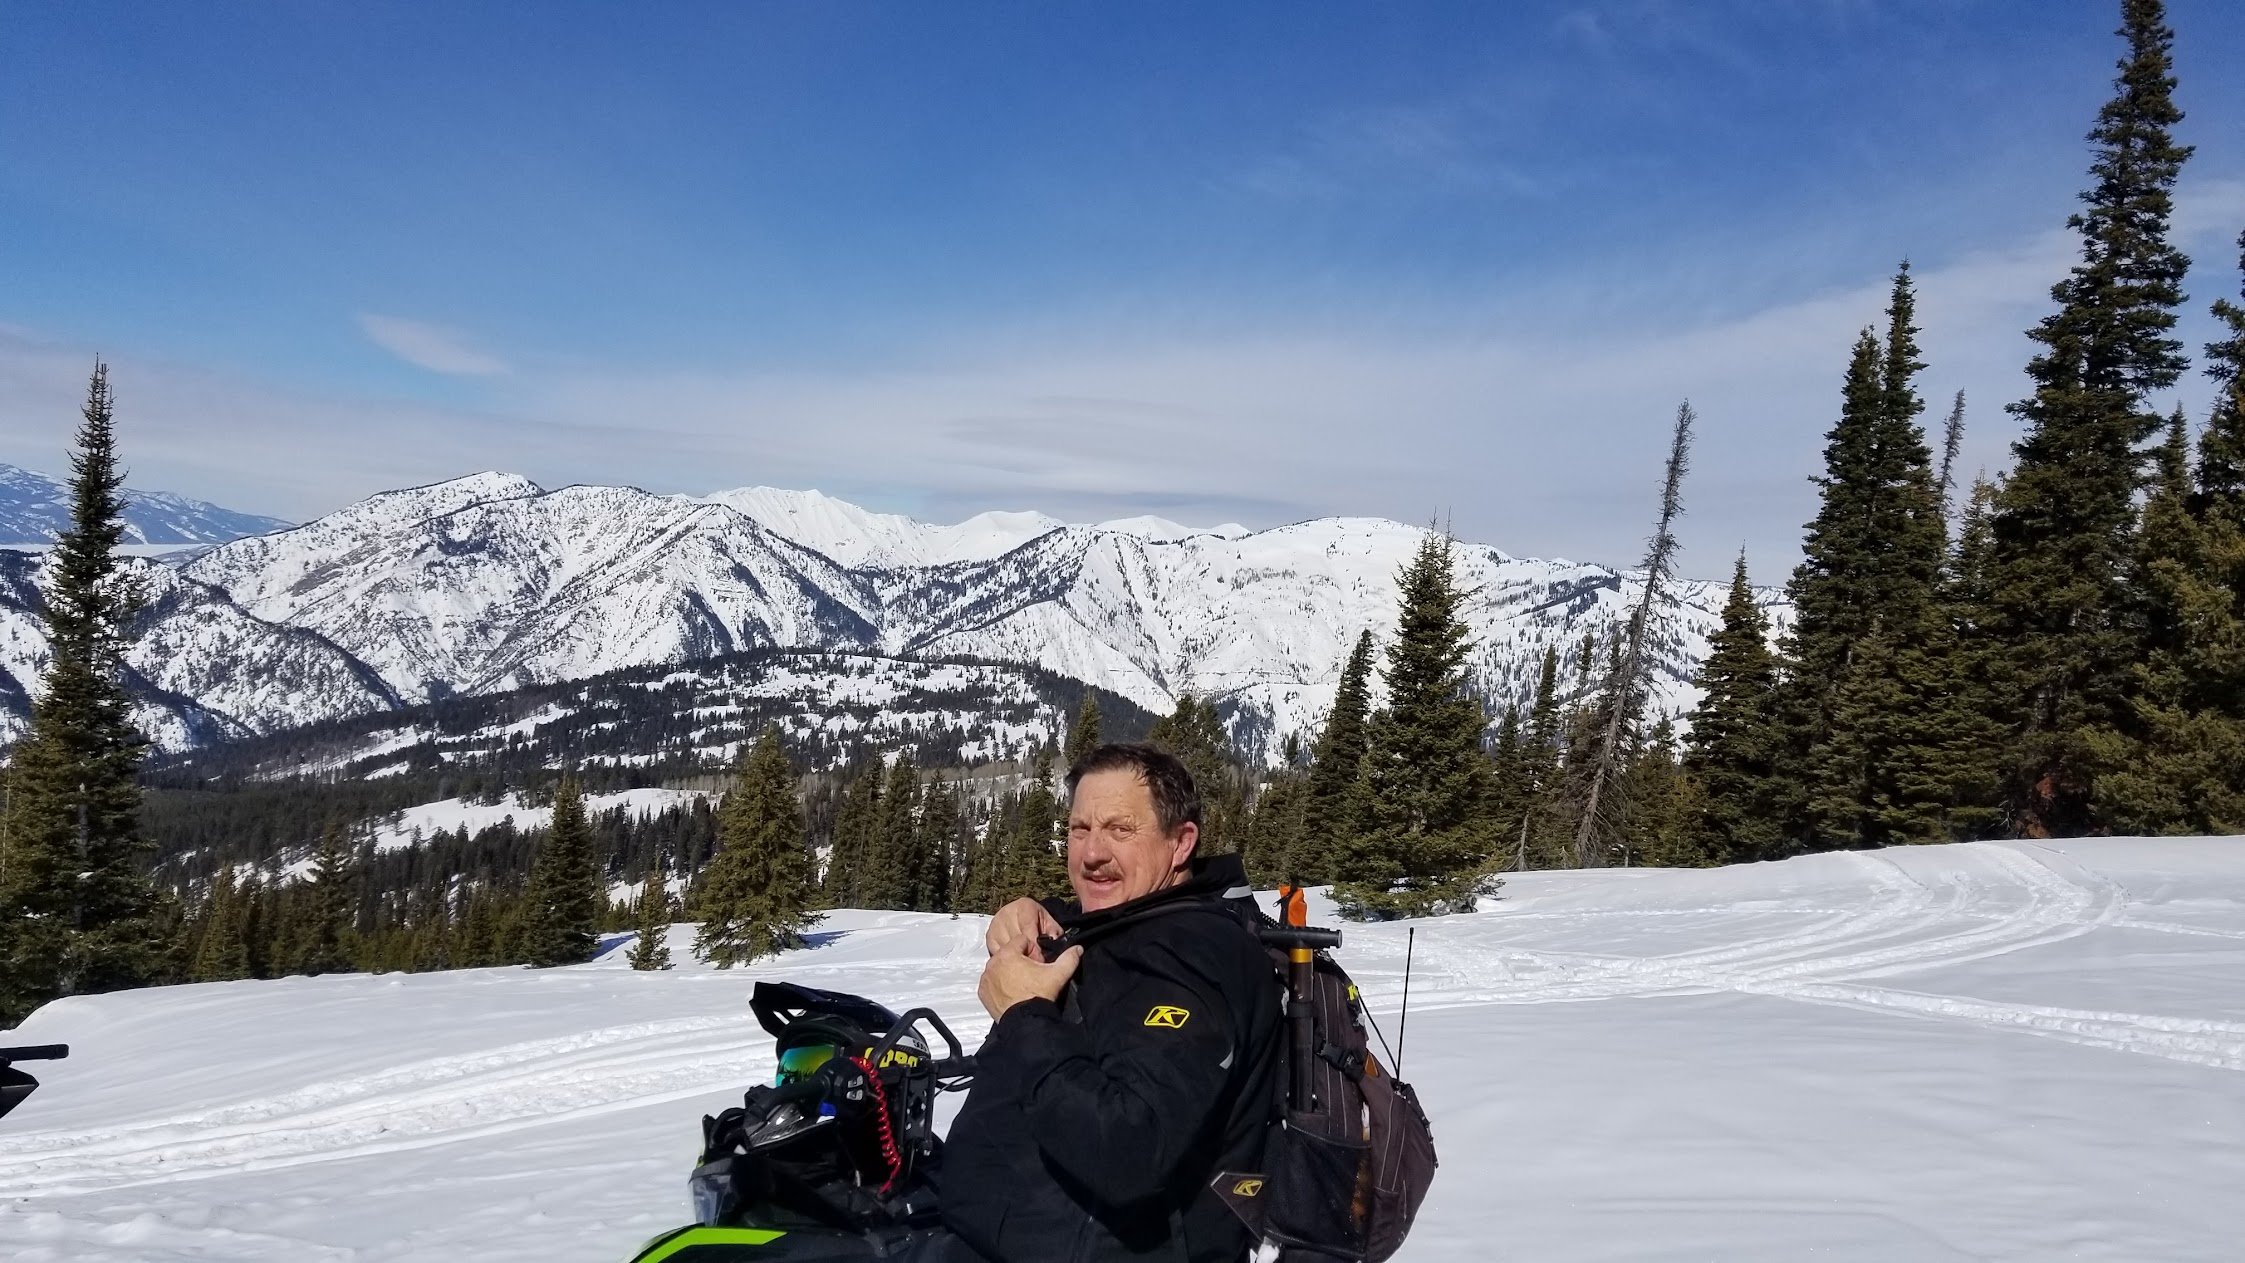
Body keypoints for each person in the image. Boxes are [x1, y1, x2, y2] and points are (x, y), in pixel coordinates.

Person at [938, 743, 1283, 1263]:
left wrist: (1023, 1014)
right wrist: (1032, 912)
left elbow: (1128, 1149)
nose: (1092, 853)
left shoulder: (1197, 958)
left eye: (1120, 830)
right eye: (1080, 830)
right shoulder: (1134, 922)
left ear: (1180, 843)